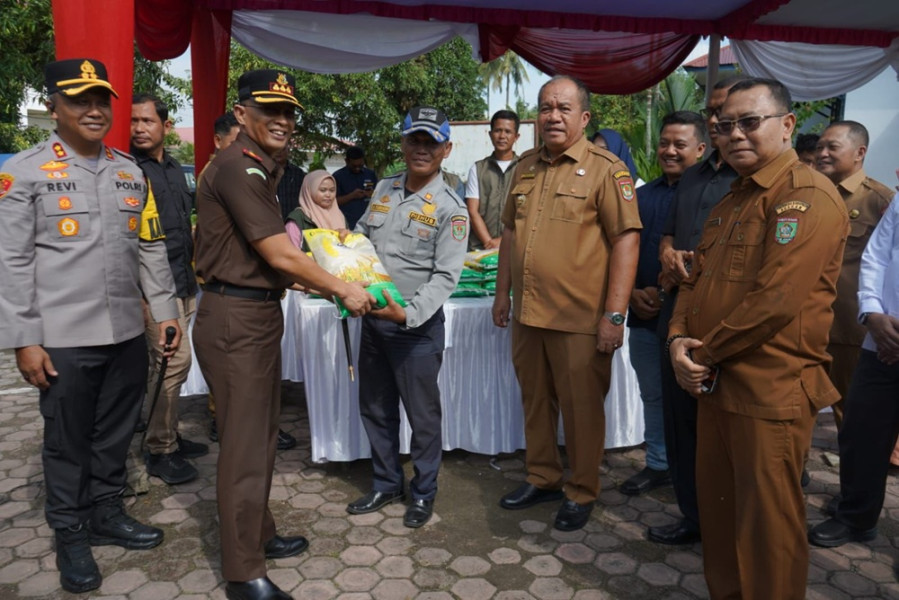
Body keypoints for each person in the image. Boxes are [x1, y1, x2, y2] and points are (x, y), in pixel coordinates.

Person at [0, 58, 182, 594]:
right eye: (80, 100)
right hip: (62, 339)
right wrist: (24, 339)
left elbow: (149, 245)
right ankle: (70, 531)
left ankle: (107, 511)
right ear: (54, 106)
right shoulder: (24, 173)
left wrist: (166, 312)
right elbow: (9, 262)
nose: (95, 110)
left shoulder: (129, 170)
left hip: (125, 331)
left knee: (114, 433)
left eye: (102, 100)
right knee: (67, 440)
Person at [192, 69, 374, 600]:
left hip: (254, 315)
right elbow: (277, 252)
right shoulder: (238, 168)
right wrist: (342, 286)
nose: (282, 120)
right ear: (242, 113)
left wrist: (313, 282)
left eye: (289, 112)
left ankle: (259, 533)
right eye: (269, 109)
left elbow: (269, 260)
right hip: (235, 320)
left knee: (261, 438)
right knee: (245, 448)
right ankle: (243, 572)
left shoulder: (262, 171)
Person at [667, 77, 847, 600]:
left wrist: (699, 353)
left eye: (751, 122)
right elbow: (692, 279)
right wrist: (678, 339)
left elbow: (775, 301)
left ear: (788, 125)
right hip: (714, 386)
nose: (735, 135)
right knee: (720, 518)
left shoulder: (806, 197)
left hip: (770, 392)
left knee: (767, 527)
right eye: (725, 126)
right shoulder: (732, 200)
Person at [492, 75, 641, 532]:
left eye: (563, 108)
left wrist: (615, 315)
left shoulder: (606, 169)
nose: (552, 116)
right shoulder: (525, 167)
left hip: (579, 319)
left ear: (584, 117)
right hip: (528, 313)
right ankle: (543, 476)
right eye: (544, 108)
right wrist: (502, 294)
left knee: (581, 409)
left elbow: (626, 240)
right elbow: (510, 235)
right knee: (535, 401)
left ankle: (581, 489)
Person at [346, 106, 468, 529]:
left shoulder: (451, 208)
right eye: (414, 139)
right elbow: (362, 234)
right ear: (402, 142)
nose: (421, 149)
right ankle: (386, 482)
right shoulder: (383, 188)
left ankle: (423, 492)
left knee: (422, 418)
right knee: (376, 408)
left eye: (430, 142)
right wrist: (344, 249)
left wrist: (408, 314)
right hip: (373, 322)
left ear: (446, 149)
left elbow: (446, 276)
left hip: (415, 329)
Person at [649, 75, 746, 546]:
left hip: (729, 320)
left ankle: (730, 522)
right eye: (713, 112)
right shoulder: (692, 176)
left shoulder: (752, 182)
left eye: (728, 111)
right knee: (681, 423)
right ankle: (694, 516)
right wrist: (668, 255)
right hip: (679, 313)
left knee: (726, 430)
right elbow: (670, 233)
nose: (718, 120)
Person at [620, 111, 705, 497]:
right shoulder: (642, 196)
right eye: (664, 143)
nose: (669, 151)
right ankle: (658, 463)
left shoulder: (713, 195)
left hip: (693, 320)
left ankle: (696, 469)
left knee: (693, 399)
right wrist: (633, 292)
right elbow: (624, 249)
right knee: (652, 392)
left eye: (680, 145)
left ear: (701, 148)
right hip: (643, 313)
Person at [807, 190, 899, 548]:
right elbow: (876, 257)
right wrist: (873, 313)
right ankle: (857, 517)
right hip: (881, 338)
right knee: (861, 434)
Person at [130, 93, 208, 485]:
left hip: (184, 280)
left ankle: (169, 434)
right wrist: (145, 299)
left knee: (169, 366)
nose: (139, 129)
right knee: (171, 363)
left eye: (147, 121)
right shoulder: (128, 171)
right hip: (153, 291)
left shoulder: (176, 170)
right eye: (133, 122)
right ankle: (160, 449)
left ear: (164, 124)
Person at [815, 121, 893, 428]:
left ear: (859, 153)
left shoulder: (879, 200)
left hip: (850, 328)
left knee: (855, 415)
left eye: (832, 147)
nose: (822, 153)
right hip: (808, 323)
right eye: (820, 147)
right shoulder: (812, 194)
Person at [464, 109, 521, 250]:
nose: (502, 136)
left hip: (514, 246)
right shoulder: (478, 169)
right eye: (497, 131)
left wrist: (503, 241)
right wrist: (489, 242)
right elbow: (472, 210)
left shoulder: (525, 168)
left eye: (508, 132)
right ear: (490, 134)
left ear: (516, 137)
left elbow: (528, 213)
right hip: (479, 248)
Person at [285, 169, 344, 250]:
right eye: (323, 190)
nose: (328, 195)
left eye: (332, 190)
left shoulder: (339, 215)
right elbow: (291, 254)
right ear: (309, 190)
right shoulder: (298, 220)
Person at [335, 146, 377, 229]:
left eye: (360, 165)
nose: (357, 168)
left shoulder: (370, 174)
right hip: (347, 223)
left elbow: (380, 196)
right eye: (354, 166)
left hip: (368, 221)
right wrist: (351, 196)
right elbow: (333, 202)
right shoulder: (338, 176)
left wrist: (373, 194)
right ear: (347, 161)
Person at [274, 146, 306, 223]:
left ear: (288, 151)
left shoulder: (298, 173)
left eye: (282, 149)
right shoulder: (265, 171)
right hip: (270, 220)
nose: (279, 152)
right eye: (276, 149)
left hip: (293, 221)